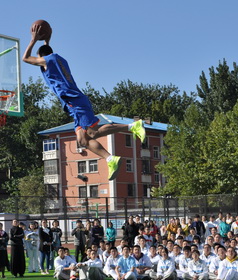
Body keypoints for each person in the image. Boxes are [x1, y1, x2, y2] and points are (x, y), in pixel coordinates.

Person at [22, 25, 146, 180]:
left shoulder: (47, 61)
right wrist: (47, 40)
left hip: (74, 101)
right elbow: (48, 52)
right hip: (75, 102)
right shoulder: (59, 59)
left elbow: (25, 58)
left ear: (41, 56)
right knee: (83, 140)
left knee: (92, 133)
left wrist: (33, 40)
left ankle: (133, 126)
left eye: (39, 56)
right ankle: (110, 159)